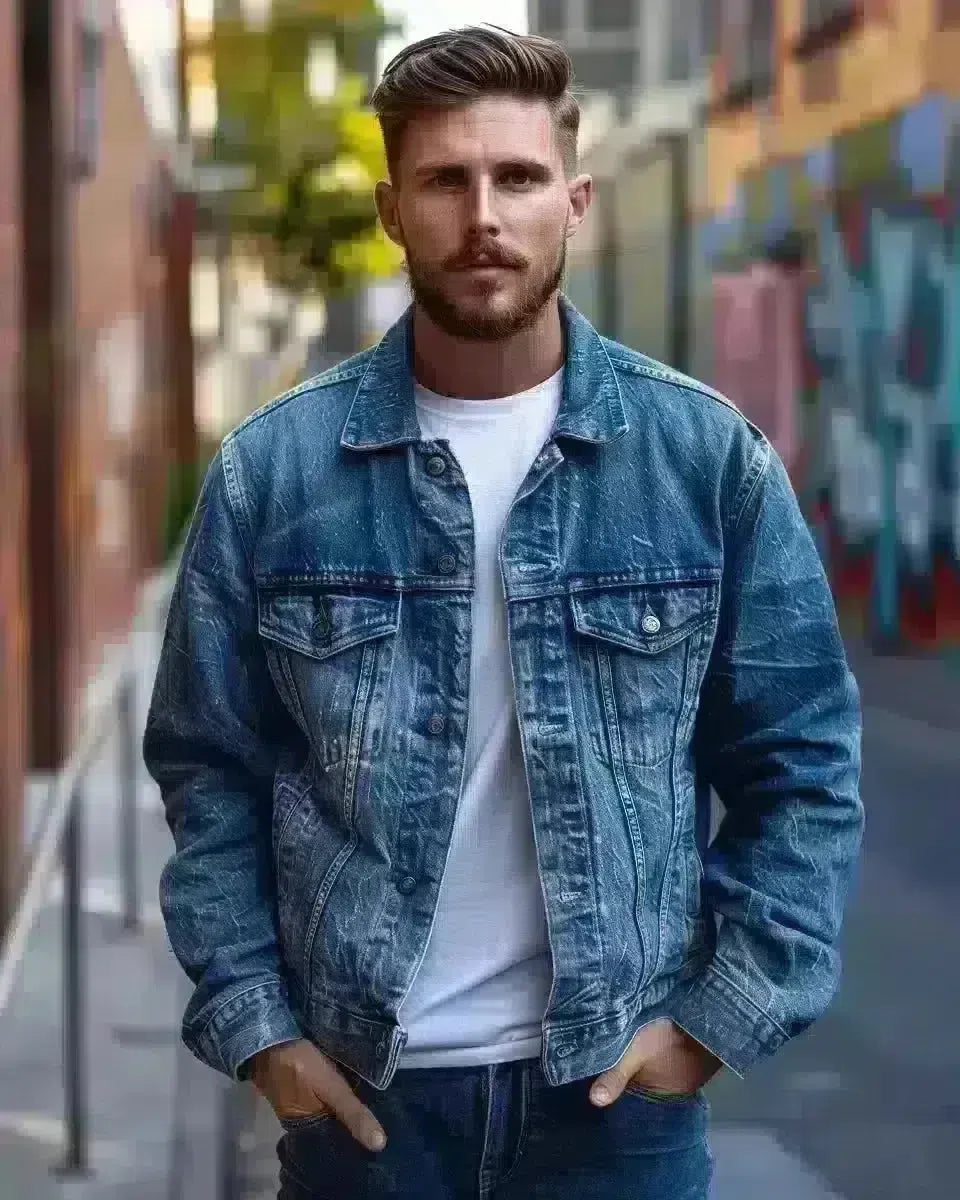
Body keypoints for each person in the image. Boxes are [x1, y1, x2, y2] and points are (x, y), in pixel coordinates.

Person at [143, 25, 864, 1200]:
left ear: (573, 200)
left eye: (518, 178)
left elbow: (804, 765)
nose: (485, 216)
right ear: (391, 209)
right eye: (445, 180)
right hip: (365, 1109)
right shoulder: (274, 474)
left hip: (611, 1109)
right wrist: (258, 1027)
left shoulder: (703, 460)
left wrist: (715, 1022)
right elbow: (206, 764)